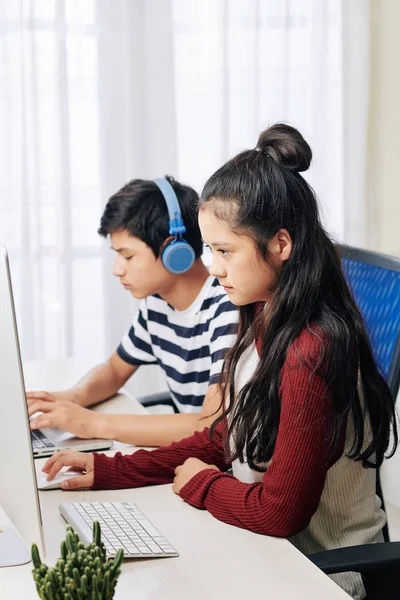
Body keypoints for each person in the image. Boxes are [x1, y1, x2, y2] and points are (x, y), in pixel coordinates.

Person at [43, 125, 397, 599]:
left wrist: (204, 484)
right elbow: (225, 436)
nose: (211, 266)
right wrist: (112, 470)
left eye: (225, 250)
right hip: (267, 548)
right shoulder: (262, 314)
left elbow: (279, 512)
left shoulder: (314, 348)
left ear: (281, 245)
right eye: (209, 249)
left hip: (322, 573)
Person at [28, 176, 238, 446]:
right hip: (191, 453)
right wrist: (72, 398)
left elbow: (211, 425)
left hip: (222, 463)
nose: (117, 269)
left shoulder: (226, 307)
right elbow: (115, 369)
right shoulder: (157, 305)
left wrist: (91, 423)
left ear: (175, 251)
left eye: (127, 256)